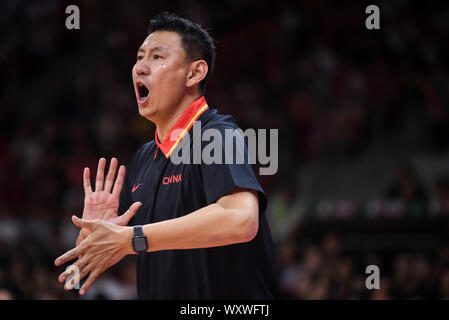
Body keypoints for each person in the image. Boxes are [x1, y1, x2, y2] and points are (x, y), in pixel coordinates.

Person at [54, 12, 279, 299]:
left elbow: (241, 220)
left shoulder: (216, 134)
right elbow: (101, 255)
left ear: (194, 73)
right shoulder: (144, 158)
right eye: (139, 57)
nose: (140, 68)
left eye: (157, 57)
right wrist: (93, 234)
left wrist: (133, 237)